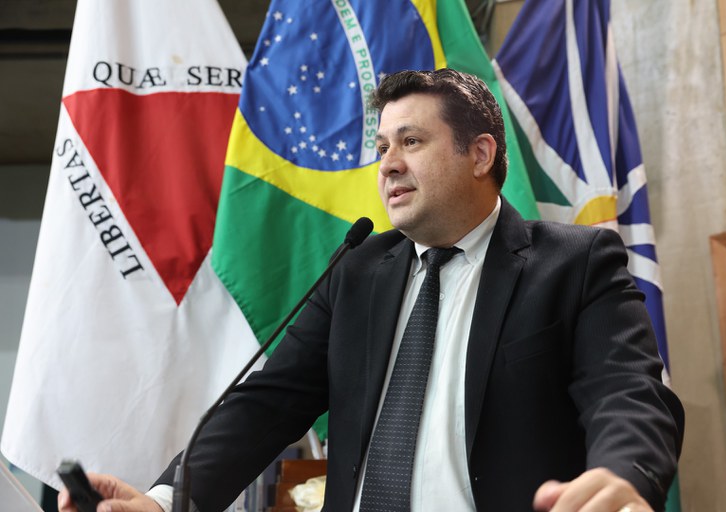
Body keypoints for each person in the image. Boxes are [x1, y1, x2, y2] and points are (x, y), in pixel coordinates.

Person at [59, 69, 684, 512]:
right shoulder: (356, 271)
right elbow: (266, 405)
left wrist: (622, 475)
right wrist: (167, 501)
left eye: (411, 142)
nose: (387, 164)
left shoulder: (573, 263)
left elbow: (627, 391)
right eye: (382, 146)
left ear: (479, 154)